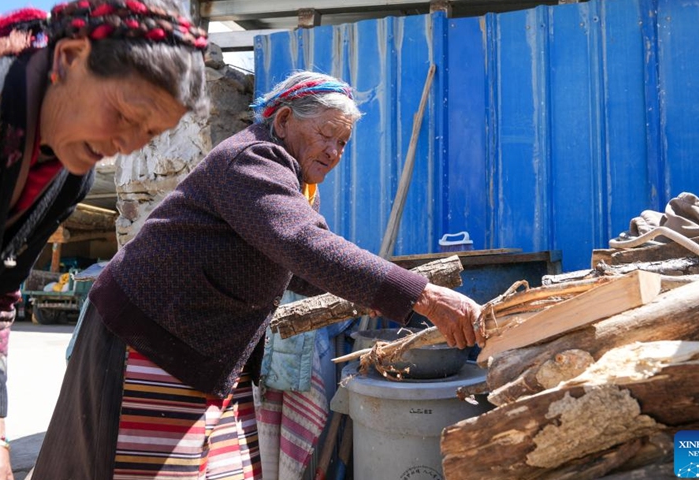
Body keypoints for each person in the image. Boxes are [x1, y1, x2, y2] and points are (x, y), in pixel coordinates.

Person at [32, 70, 482, 479]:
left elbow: (305, 269)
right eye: (327, 134)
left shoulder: (296, 183)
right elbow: (306, 246)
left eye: (343, 143)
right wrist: (424, 296)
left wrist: (388, 293)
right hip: (149, 335)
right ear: (284, 120)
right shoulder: (252, 159)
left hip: (201, 348)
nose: (334, 151)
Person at [0, 1, 208, 478]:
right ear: (68, 58)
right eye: (126, 113)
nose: (127, 144)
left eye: (149, 134)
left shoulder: (64, 173)